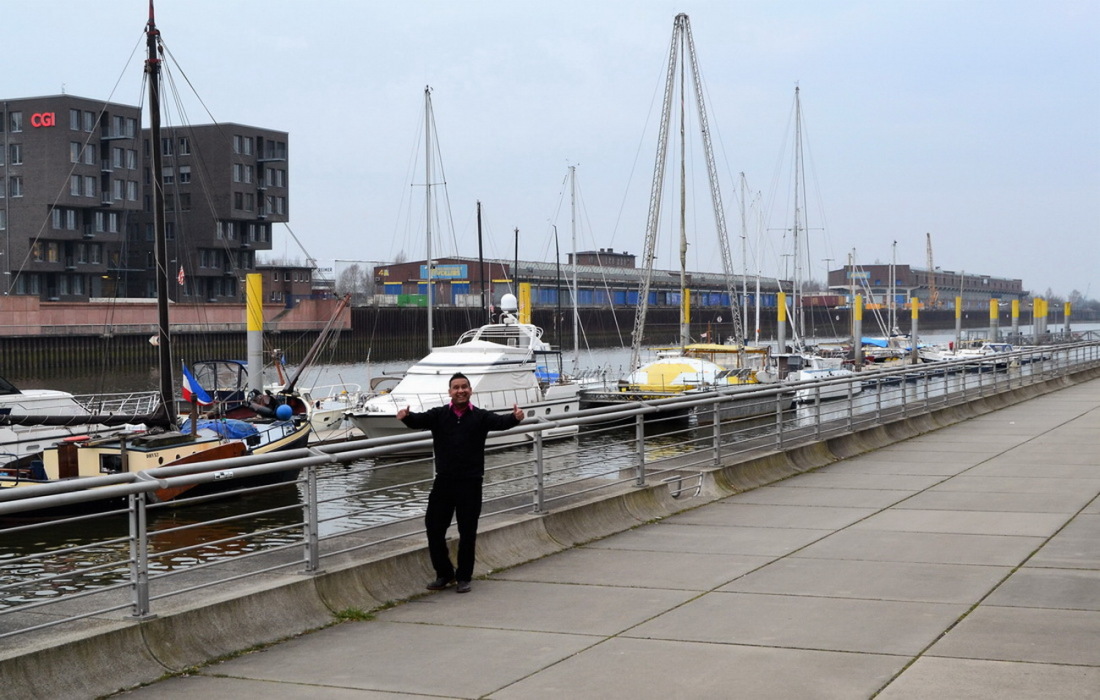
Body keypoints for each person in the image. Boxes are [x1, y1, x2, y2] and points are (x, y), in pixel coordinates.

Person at [397, 372, 525, 594]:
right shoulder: (439, 415)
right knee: (434, 528)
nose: (460, 390)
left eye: (464, 387)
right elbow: (419, 420)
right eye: (456, 387)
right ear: (450, 392)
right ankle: (445, 573)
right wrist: (406, 417)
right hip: (444, 482)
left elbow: (501, 422)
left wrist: (515, 418)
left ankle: (464, 577)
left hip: (471, 483)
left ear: (470, 391)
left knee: (468, 532)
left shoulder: (480, 417)